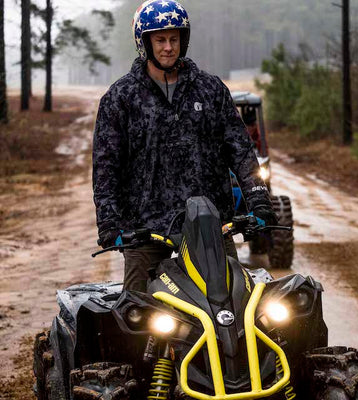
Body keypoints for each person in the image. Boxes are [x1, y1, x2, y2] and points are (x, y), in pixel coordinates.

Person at [92, 0, 278, 292]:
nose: (168, 47)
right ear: (145, 43)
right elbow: (106, 167)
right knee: (136, 310)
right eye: (160, 40)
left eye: (174, 39)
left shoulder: (211, 90)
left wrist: (259, 201)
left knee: (233, 302)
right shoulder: (120, 98)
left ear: (184, 40)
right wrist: (108, 222)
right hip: (145, 230)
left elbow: (241, 151)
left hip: (210, 224)